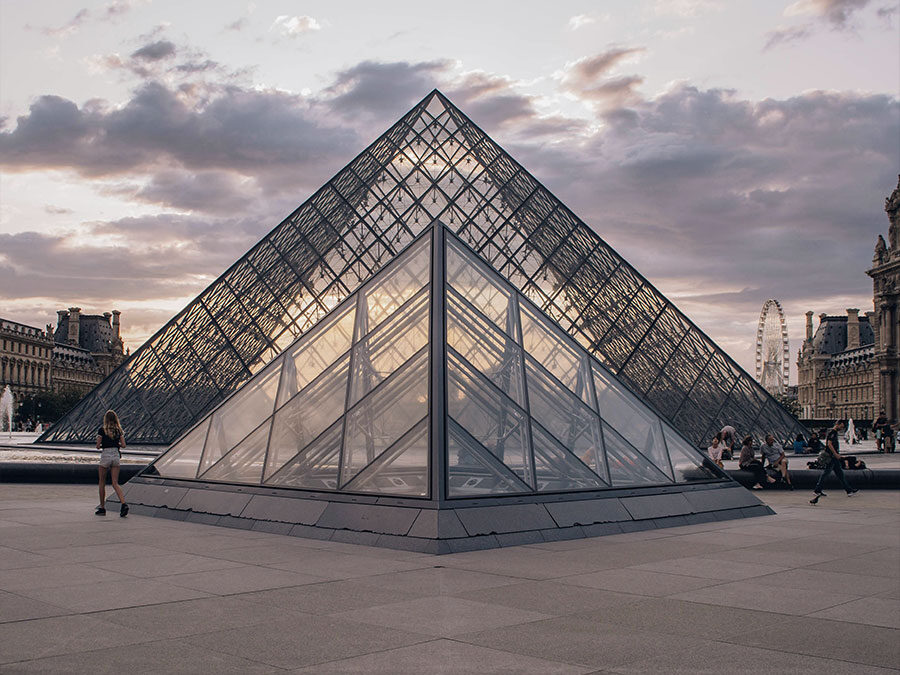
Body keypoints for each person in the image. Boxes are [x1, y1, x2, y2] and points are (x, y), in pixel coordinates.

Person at [810, 420, 859, 504]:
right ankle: (817, 490)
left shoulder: (832, 432)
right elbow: (829, 444)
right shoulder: (832, 432)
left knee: (840, 474)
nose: (842, 428)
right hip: (831, 456)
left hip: (833, 456)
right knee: (826, 473)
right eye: (842, 426)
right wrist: (836, 454)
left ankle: (849, 490)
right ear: (838, 424)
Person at [95, 410, 129, 517]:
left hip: (106, 455)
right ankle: (123, 504)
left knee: (102, 482)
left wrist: (104, 443)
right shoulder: (119, 431)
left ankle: (102, 508)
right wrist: (116, 443)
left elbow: (97, 446)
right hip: (115, 455)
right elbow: (123, 445)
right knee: (115, 483)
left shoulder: (102, 430)